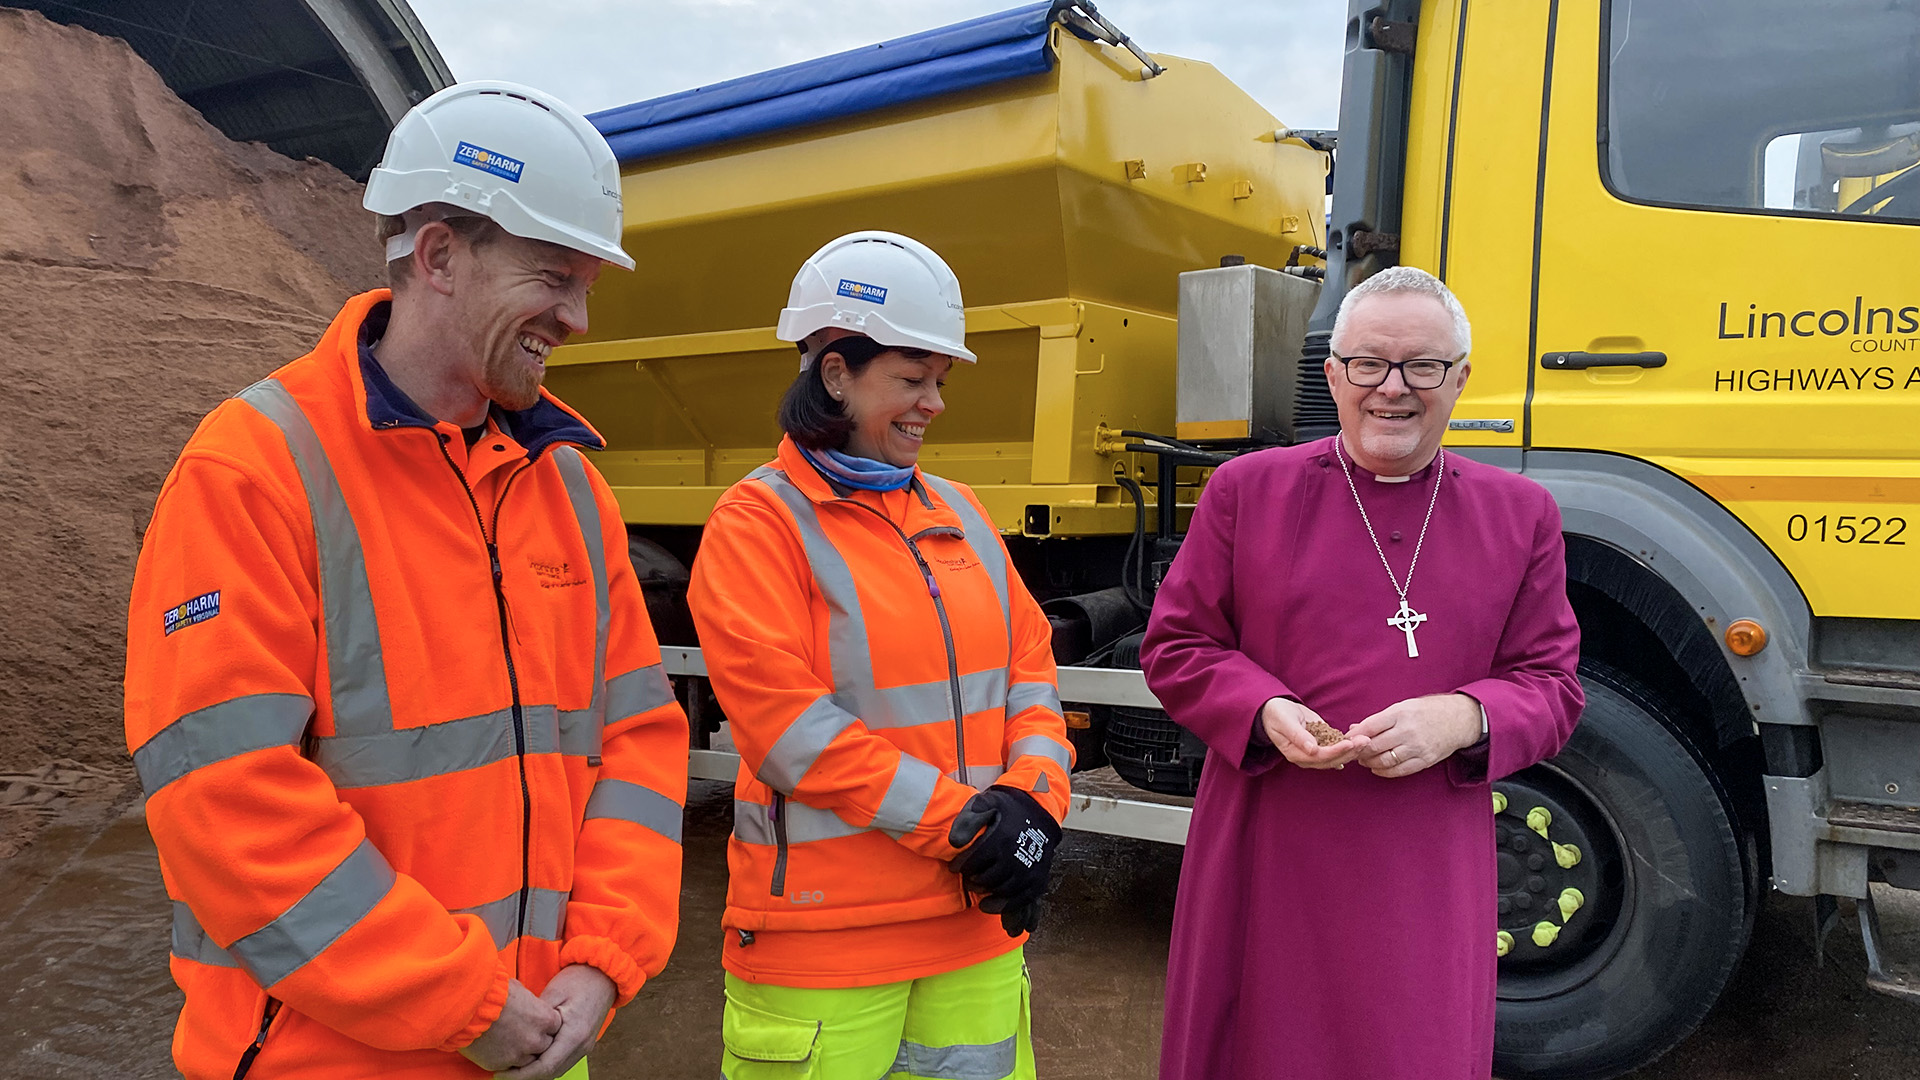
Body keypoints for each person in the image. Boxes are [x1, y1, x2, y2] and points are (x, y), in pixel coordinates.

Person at [123, 81, 689, 1080]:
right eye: (555, 277)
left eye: (587, 284)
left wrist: (604, 960)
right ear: (437, 256)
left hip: (544, 1041)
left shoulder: (569, 490)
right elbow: (226, 803)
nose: (579, 318)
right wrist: (461, 1002)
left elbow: (637, 748)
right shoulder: (253, 471)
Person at [1141, 266, 1585, 1079]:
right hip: (1269, 835)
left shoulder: (1520, 515)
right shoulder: (1248, 491)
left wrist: (1463, 716)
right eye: (1370, 364)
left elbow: (1553, 684)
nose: (1395, 389)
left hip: (1423, 855)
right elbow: (1178, 647)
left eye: (1423, 366)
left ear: (1460, 379)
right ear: (1333, 374)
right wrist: (1264, 707)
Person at [687, 231, 1074, 1080]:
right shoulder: (759, 524)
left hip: (974, 928)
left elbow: (1031, 673)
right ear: (834, 373)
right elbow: (787, 729)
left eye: (938, 381)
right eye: (909, 379)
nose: (932, 402)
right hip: (826, 945)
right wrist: (972, 828)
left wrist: (1036, 803)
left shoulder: (964, 512)